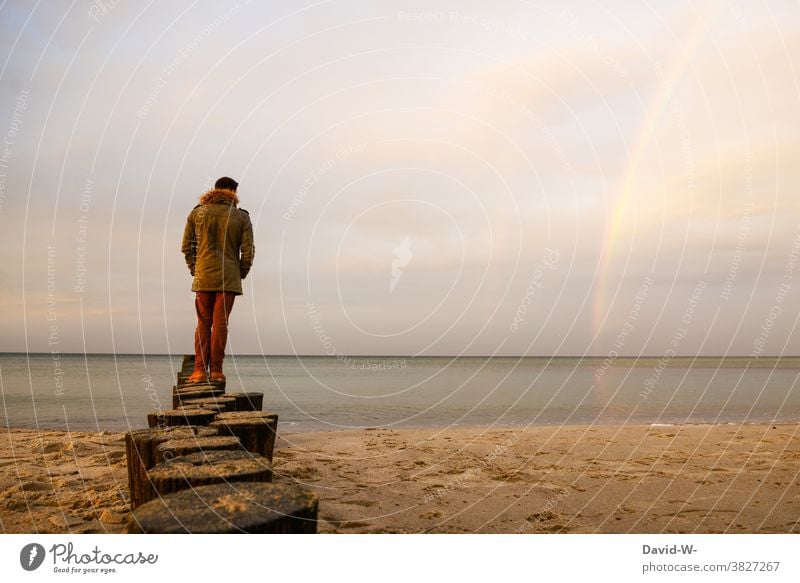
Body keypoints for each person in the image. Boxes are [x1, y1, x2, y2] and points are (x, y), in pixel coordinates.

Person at [181, 176, 254, 382]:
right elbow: (248, 251)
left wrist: (195, 269)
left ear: (215, 189)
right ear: (233, 191)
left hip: (203, 275)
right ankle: (216, 371)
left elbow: (187, 247)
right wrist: (240, 273)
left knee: (203, 323)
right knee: (220, 323)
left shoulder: (197, 213)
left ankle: (198, 371)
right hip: (228, 277)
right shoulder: (241, 217)